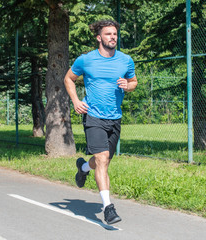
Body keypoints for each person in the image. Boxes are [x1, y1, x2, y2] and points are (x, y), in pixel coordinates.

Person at [64, 19, 138, 225]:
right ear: (99, 37)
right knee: (103, 159)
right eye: (108, 34)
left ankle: (84, 168)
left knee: (102, 161)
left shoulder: (125, 60)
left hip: (114, 117)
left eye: (115, 34)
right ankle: (108, 208)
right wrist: (76, 100)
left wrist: (128, 85)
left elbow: (134, 82)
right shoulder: (86, 60)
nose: (112, 37)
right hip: (93, 116)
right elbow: (68, 78)